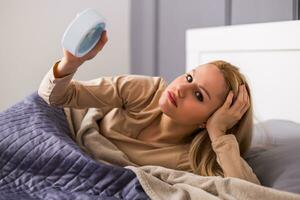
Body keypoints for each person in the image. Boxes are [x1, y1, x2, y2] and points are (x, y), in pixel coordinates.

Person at [38, 31, 260, 184]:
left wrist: (219, 133)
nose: (182, 88)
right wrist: (71, 62)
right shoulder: (145, 91)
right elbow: (56, 96)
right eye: (190, 77)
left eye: (199, 95)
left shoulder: (188, 159)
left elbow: (248, 192)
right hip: (70, 131)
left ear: (208, 121)